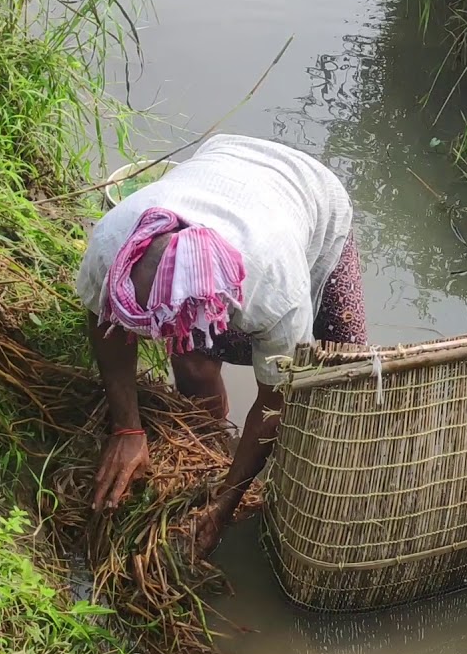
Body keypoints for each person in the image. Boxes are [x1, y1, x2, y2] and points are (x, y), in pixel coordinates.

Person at [75, 134, 367, 554]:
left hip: (314, 197)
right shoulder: (111, 245)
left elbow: (274, 401)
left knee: (338, 370)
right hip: (225, 157)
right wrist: (127, 428)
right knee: (193, 364)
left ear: (216, 303)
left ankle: (310, 474)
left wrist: (223, 506)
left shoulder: (276, 289)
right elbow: (105, 322)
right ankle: (210, 443)